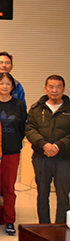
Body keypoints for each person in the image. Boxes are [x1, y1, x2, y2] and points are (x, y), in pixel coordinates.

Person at [26, 75, 70, 225]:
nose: (54, 90)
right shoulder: (37, 109)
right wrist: (43, 144)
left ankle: (60, 227)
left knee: (63, 195)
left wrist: (58, 146)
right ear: (45, 88)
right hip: (41, 157)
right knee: (42, 194)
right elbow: (29, 129)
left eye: (58, 87)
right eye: (51, 86)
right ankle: (44, 226)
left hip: (64, 159)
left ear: (63, 89)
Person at [0, 73, 27, 235]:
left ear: (12, 87)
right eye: (1, 83)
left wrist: (15, 142)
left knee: (9, 188)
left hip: (12, 151)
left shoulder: (19, 104)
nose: (4, 86)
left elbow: (22, 128)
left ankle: (10, 220)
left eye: (8, 84)